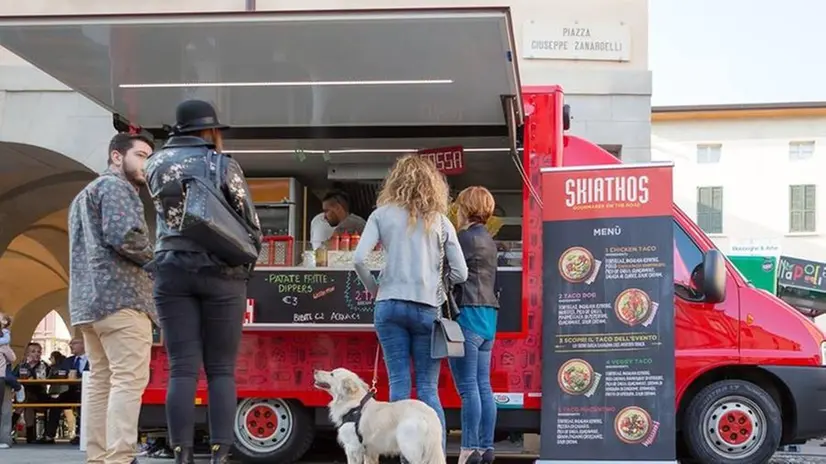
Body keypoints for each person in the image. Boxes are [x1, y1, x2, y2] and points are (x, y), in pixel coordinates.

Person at [145, 99, 262, 464]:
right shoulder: (221, 163)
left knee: (181, 367)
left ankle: (181, 454)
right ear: (209, 131)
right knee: (221, 370)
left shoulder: (155, 164)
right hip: (222, 274)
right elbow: (248, 219)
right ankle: (219, 453)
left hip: (170, 270)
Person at [353, 154, 467, 453]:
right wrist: (438, 286)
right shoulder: (441, 222)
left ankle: (404, 455)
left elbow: (358, 259)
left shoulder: (381, 214)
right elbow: (461, 272)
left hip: (389, 304)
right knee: (428, 389)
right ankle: (434, 456)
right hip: (427, 307)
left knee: (399, 386)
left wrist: (375, 288)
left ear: (395, 182)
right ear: (433, 186)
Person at [69, 131, 156, 463]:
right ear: (117, 157)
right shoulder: (116, 187)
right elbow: (126, 237)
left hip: (89, 305)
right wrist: (159, 261)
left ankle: (98, 457)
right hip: (122, 299)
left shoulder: (84, 195)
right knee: (128, 382)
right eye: (142, 155)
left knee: (101, 382)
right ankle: (119, 458)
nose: (147, 164)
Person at [448, 187, 500, 464]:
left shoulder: (462, 239)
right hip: (489, 318)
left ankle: (469, 449)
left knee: (468, 387)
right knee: (483, 385)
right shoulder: (489, 240)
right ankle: (486, 447)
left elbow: (449, 273)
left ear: (465, 208)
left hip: (467, 314)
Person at [45, 339, 89, 445]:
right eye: (70, 343)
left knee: (85, 404)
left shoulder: (93, 359)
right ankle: (49, 435)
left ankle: (80, 434)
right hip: (72, 390)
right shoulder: (68, 361)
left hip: (89, 391)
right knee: (56, 402)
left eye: (74, 343)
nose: (70, 345)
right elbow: (58, 373)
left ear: (84, 344)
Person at [13, 343, 50, 443]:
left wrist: (30, 371)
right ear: (27, 354)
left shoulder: (44, 365)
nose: (36, 354)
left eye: (39, 351)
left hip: (39, 395)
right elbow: (13, 377)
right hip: (24, 394)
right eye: (33, 351)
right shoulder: (21, 365)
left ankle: (10, 427)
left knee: (25, 399)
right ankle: (30, 436)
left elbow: (44, 380)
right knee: (27, 401)